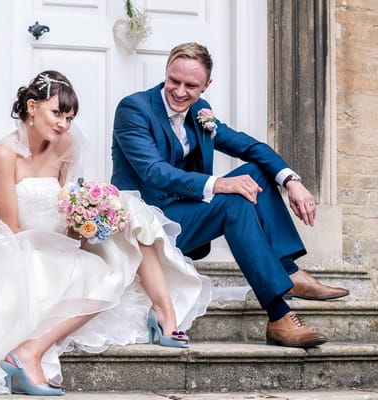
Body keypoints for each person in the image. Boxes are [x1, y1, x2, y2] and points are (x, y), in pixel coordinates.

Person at [0, 70, 211, 396]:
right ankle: (28, 352)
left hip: (59, 239)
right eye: (57, 113)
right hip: (18, 248)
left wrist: (87, 222)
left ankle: (165, 315)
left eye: (70, 117)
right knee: (104, 276)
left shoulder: (65, 143)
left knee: (128, 209)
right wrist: (63, 243)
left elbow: (65, 200)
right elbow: (10, 227)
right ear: (32, 106)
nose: (63, 123)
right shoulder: (3, 155)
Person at [111, 42, 349, 349]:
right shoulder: (134, 109)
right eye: (174, 81)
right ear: (166, 73)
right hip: (147, 222)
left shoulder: (199, 113)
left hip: (184, 215)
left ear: (207, 85)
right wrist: (218, 184)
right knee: (232, 202)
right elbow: (154, 172)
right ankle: (279, 315)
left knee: (257, 171)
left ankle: (289, 270)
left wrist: (292, 181)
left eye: (191, 86)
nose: (180, 92)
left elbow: (251, 147)